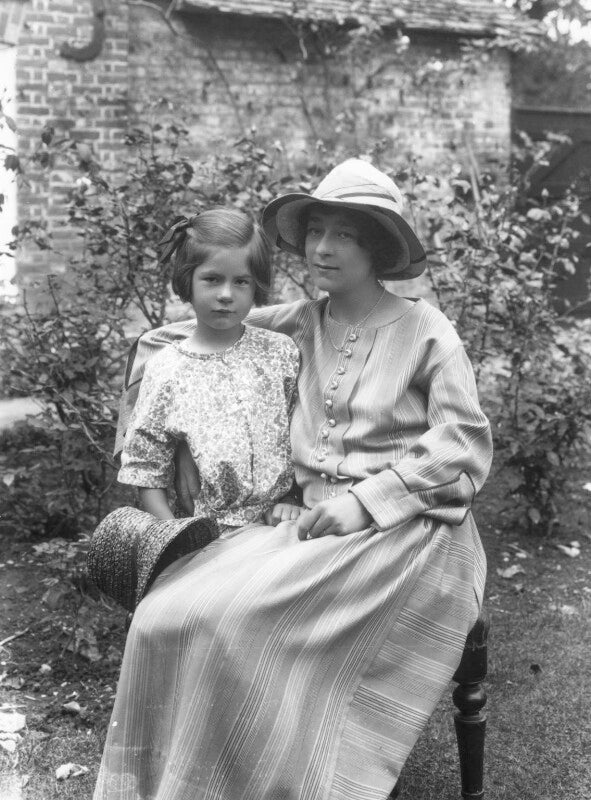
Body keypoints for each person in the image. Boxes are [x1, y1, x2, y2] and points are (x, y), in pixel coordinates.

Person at [94, 158, 493, 800]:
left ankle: (294, 778)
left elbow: (464, 443)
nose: (322, 248)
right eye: (315, 231)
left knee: (231, 621)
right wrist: (184, 445)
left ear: (378, 247)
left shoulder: (427, 332)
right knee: (167, 614)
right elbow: (165, 344)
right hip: (306, 525)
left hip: (412, 534)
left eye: (345, 235)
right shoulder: (303, 321)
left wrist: (367, 501)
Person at [117, 207, 300, 528]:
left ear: (255, 285)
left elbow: (304, 434)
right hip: (206, 532)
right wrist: (173, 536)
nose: (226, 295)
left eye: (241, 281)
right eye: (212, 279)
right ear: (188, 280)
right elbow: (146, 468)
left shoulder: (279, 351)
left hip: (279, 527)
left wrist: (292, 499)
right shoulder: (166, 368)